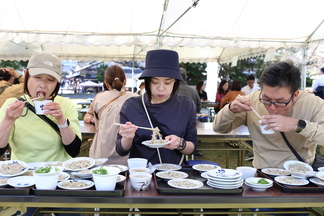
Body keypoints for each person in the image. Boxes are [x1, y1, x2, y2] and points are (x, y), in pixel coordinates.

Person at [213, 61, 324, 216]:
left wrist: (297, 125)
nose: (271, 107)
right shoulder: (252, 100)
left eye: (280, 101)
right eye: (266, 98)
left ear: (295, 95)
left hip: (299, 178)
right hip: (262, 177)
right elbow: (219, 128)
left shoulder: (314, 104)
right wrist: (230, 109)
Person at [0, 52, 82, 215]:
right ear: (26, 76)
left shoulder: (65, 105)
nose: (43, 85)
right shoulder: (12, 105)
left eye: (50, 80)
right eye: (38, 77)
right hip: (23, 178)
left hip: (60, 176)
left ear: (57, 83)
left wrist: (61, 121)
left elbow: (74, 151)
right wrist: (8, 120)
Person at [116, 49, 197, 166]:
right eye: (154, 82)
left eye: (167, 83)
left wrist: (180, 143)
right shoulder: (131, 106)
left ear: (175, 81)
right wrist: (127, 137)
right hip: (142, 173)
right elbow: (121, 150)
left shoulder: (186, 105)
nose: (161, 88)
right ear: (147, 82)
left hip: (174, 173)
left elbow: (192, 147)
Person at [83, 65, 137, 165]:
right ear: (125, 81)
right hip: (128, 154)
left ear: (106, 84)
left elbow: (88, 114)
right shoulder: (136, 99)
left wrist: (88, 118)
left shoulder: (99, 97)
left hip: (102, 152)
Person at [178, 67, 203, 159]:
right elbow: (199, 107)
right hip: (192, 123)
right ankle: (196, 151)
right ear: (186, 77)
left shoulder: (172, 90)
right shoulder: (193, 90)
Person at [241, 74, 259, 161]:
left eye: (252, 82)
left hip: (256, 112)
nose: (251, 84)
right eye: (249, 82)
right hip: (247, 112)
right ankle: (249, 150)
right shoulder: (244, 89)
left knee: (256, 131)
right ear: (247, 82)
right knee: (248, 131)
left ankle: (254, 150)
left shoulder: (258, 89)